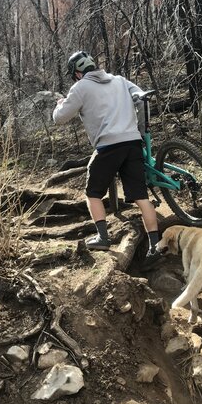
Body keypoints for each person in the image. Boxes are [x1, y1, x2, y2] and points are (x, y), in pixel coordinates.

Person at [53, 51, 162, 267]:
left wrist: (60, 104)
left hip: (107, 147)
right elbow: (141, 96)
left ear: (77, 72)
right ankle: (154, 248)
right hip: (132, 143)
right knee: (142, 198)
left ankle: (103, 238)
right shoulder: (120, 81)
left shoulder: (80, 87)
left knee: (92, 193)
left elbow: (60, 118)